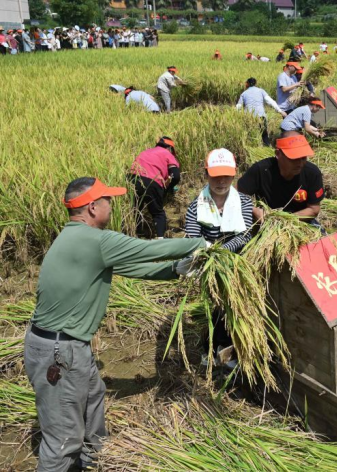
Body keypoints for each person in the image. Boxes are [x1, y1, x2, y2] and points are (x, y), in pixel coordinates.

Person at [24, 177, 206, 472]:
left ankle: (94, 461)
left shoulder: (75, 239)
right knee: (62, 442)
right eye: (108, 200)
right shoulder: (96, 241)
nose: (112, 205)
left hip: (63, 346)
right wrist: (201, 244)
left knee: (94, 396)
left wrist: (176, 270)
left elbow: (137, 268)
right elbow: (148, 250)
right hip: (59, 352)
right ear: (93, 207)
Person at [185, 149, 255, 352]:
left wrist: (222, 250)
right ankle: (216, 345)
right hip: (209, 263)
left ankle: (233, 345)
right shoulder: (195, 207)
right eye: (216, 176)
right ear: (206, 174)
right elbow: (193, 239)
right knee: (217, 304)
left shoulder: (243, 201)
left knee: (237, 305)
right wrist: (210, 254)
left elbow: (246, 235)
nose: (221, 181)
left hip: (237, 262)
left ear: (234, 174)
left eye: (226, 176)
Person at [237, 132, 325, 227]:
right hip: (266, 222)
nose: (300, 163)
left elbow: (313, 209)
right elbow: (236, 196)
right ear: (278, 154)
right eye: (294, 158)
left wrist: (284, 220)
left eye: (303, 158)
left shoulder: (312, 173)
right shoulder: (261, 170)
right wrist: (254, 210)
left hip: (300, 222)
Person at [129, 137, 181, 239]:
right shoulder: (167, 153)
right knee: (158, 213)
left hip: (132, 180)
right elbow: (176, 175)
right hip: (151, 182)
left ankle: (137, 235)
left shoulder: (145, 152)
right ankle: (161, 240)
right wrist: (168, 189)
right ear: (170, 148)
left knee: (136, 210)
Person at [237, 77, 287, 146]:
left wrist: (240, 116)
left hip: (249, 118)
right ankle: (267, 148)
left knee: (250, 136)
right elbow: (270, 101)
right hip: (261, 116)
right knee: (264, 135)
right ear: (255, 83)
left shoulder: (244, 93)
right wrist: (280, 111)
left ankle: (253, 149)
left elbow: (238, 106)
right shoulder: (261, 91)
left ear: (247, 84)